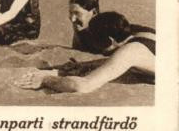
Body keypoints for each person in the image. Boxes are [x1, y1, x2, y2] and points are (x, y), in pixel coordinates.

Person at [16, 12, 154, 94]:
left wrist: (46, 80)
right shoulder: (137, 31)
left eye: (98, 41)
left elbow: (83, 86)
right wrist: (85, 66)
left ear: (111, 40)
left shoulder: (130, 52)